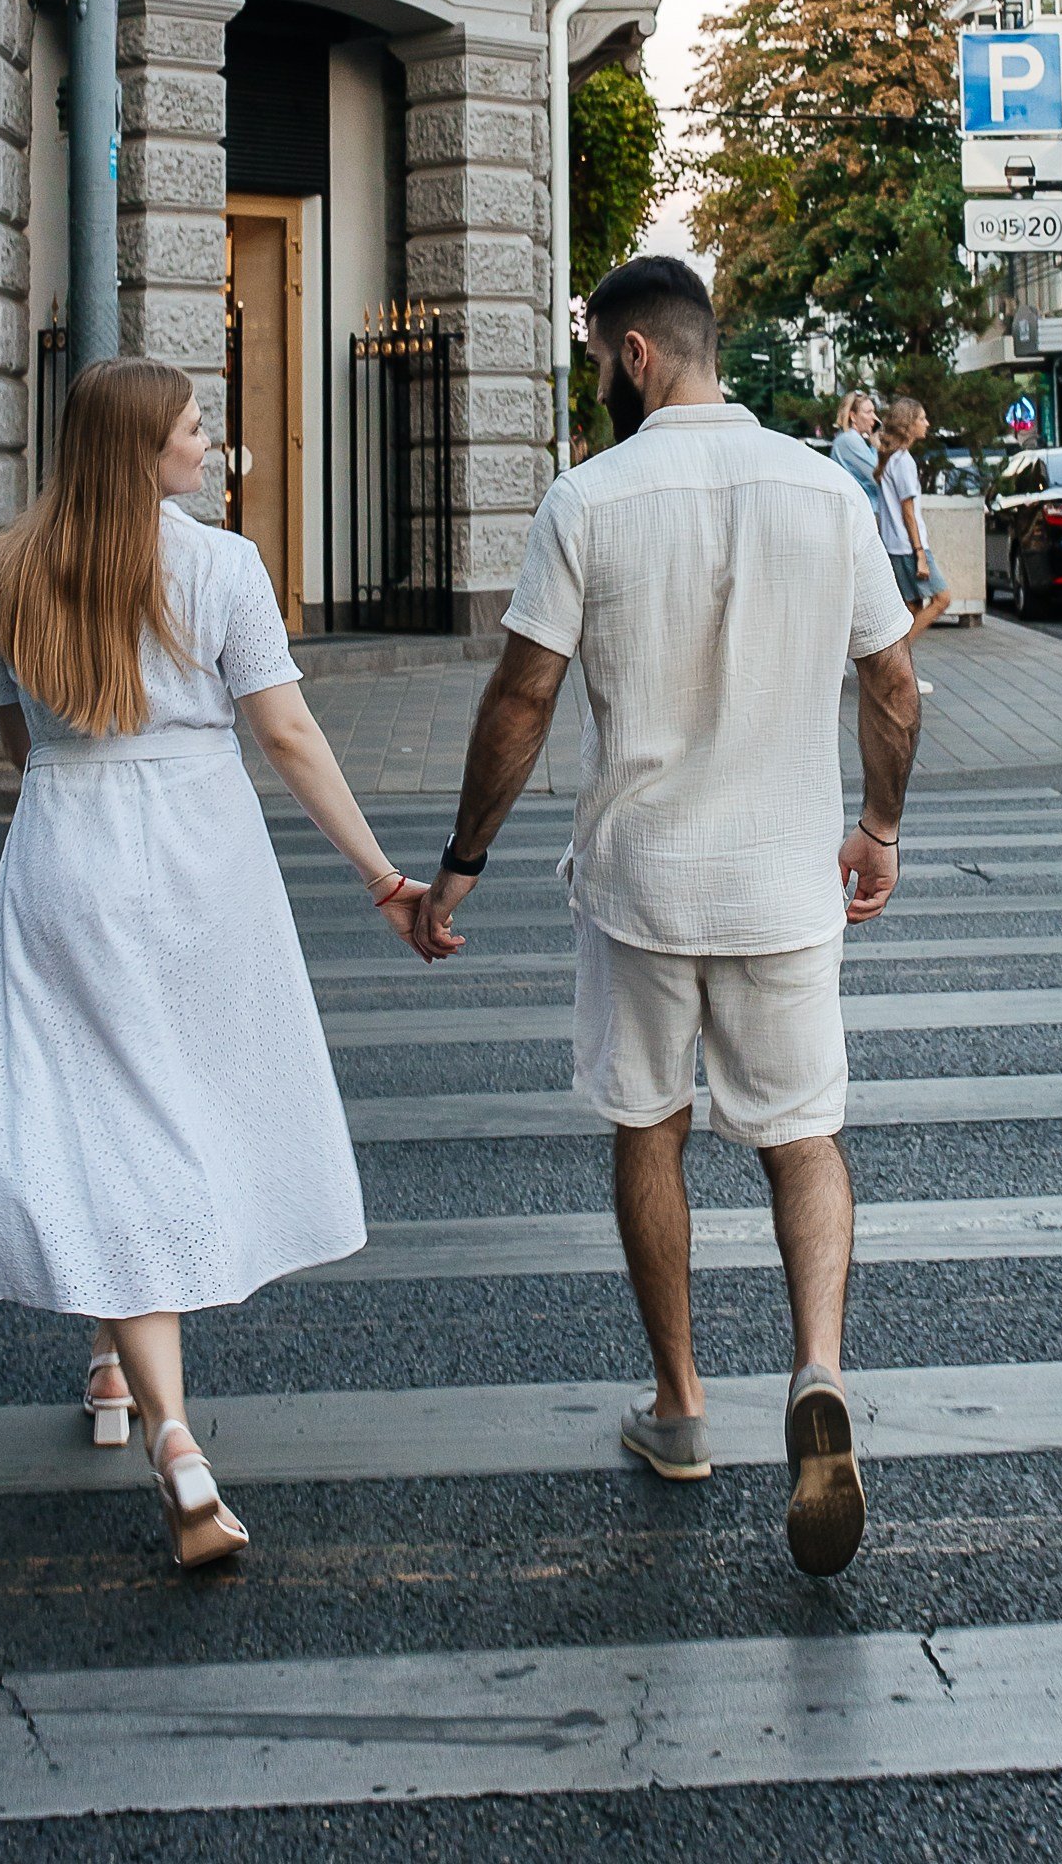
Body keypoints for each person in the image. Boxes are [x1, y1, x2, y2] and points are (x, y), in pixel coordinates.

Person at [412, 257, 920, 1578]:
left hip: (641, 883)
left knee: (652, 1127)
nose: (594, 376)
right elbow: (896, 685)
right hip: (785, 882)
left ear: (636, 354)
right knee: (803, 1142)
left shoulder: (590, 499)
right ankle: (818, 1371)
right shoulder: (825, 488)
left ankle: (683, 1407)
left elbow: (521, 698)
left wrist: (462, 857)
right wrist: (878, 830)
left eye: (595, 355)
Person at [0, 357, 432, 1571]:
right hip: (199, 853)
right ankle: (170, 1428)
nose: (209, 443)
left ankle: (130, 1385)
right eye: (190, 427)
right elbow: (285, 732)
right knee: (178, 1109)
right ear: (142, 452)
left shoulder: (8, 571)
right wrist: (381, 878)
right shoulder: (220, 566)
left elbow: (18, 736)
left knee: (104, 1117)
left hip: (66, 845)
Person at [875, 395, 952, 686]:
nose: (927, 423)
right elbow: (908, 511)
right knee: (942, 599)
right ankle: (892, 663)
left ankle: (897, 670)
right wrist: (920, 552)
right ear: (908, 425)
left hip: (896, 546)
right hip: (908, 547)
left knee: (912, 609)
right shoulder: (903, 462)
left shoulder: (891, 459)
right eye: (921, 418)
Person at [829, 391, 881, 520]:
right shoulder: (849, 440)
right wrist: (876, 445)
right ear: (853, 416)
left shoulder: (853, 440)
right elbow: (877, 475)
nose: (874, 418)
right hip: (862, 513)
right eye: (868, 412)